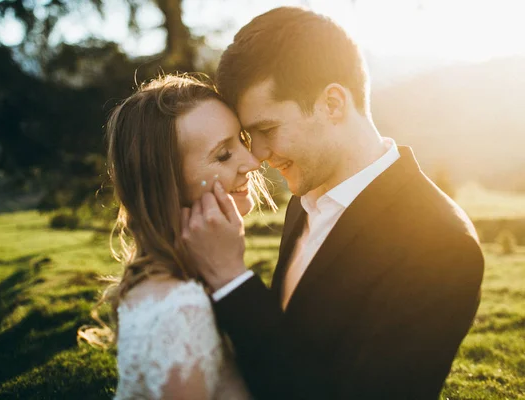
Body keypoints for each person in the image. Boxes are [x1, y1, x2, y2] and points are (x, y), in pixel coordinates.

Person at [181, 7, 485, 400]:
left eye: (267, 129)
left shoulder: (442, 243)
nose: (256, 156)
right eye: (248, 135)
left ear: (333, 103)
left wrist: (232, 281)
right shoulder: (304, 199)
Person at [102, 74, 275, 399]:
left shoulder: (179, 283)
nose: (252, 162)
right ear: (167, 184)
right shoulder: (180, 310)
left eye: (242, 140)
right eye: (223, 155)